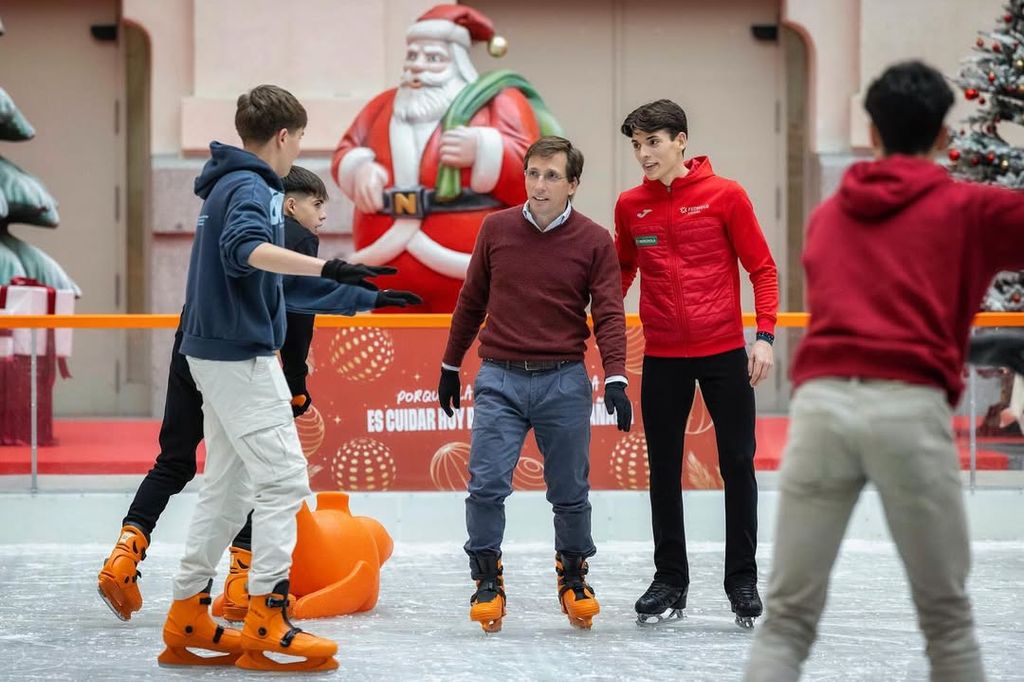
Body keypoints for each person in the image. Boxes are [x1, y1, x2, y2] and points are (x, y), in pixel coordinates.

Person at [744, 61, 1024, 681]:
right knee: (947, 622)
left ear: (872, 132)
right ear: (944, 135)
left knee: (787, 622)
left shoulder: (829, 217)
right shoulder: (968, 209)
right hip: (909, 409)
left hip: (820, 411)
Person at [153, 85, 420, 672]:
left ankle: (188, 613)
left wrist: (362, 298)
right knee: (282, 483)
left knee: (229, 489)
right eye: (299, 138)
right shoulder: (252, 187)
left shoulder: (227, 185)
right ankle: (267, 618)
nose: (299, 147)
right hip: (239, 357)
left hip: (217, 353)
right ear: (283, 136)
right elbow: (246, 251)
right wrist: (330, 264)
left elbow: (274, 282)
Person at [97, 164, 413, 625]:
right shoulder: (294, 237)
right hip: (237, 359)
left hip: (191, 344)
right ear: (291, 204)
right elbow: (299, 310)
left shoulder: (231, 220)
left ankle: (124, 556)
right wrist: (297, 382)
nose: (323, 215)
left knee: (176, 461)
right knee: (258, 470)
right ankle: (242, 584)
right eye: (317, 204)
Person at [438, 136, 632, 632]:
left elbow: (609, 312)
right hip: (499, 377)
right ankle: (487, 578)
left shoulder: (594, 241)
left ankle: (573, 575)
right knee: (485, 484)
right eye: (533, 173)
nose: (539, 185)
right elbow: (471, 300)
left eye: (551, 176)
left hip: (563, 380)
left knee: (570, 490)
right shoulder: (496, 229)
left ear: (573, 184)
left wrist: (615, 375)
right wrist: (450, 364)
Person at [614, 99, 778, 628]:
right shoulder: (630, 205)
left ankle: (742, 580)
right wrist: (596, 318)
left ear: (680, 140)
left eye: (653, 142)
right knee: (663, 470)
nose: (644, 154)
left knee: (738, 464)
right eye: (636, 145)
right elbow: (620, 273)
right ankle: (670, 580)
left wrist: (764, 337)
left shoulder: (726, 195)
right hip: (662, 356)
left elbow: (762, 268)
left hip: (723, 352)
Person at [331, 4, 559, 312]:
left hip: (467, 265)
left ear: (458, 62)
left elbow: (534, 171)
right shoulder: (382, 106)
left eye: (433, 58)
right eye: (413, 56)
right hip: (383, 262)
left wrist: (484, 148)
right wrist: (358, 168)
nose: (418, 67)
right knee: (394, 339)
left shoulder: (499, 103)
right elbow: (346, 150)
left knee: (474, 335)